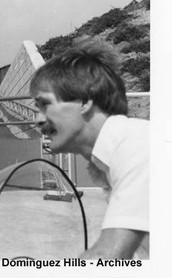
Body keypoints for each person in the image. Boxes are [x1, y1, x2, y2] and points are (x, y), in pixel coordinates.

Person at [29, 40, 149, 259]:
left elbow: (108, 258)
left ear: (84, 102)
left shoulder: (138, 146)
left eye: (45, 104)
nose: (38, 120)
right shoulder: (116, 156)